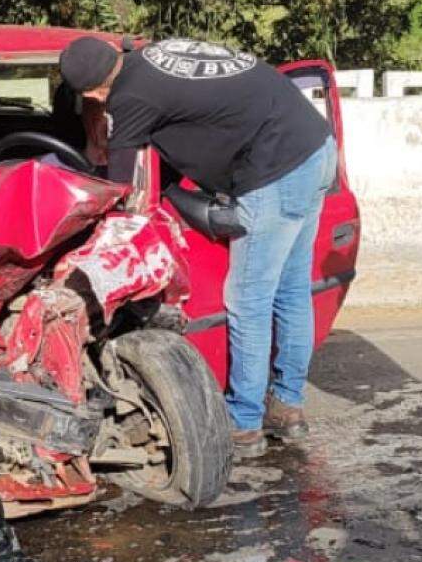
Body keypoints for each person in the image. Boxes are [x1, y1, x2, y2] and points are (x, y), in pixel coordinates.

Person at [59, 36, 337, 454]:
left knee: (249, 299)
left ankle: (243, 422)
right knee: (290, 289)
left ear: (93, 93)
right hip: (315, 147)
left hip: (275, 169)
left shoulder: (129, 96)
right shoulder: (151, 55)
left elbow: (119, 179)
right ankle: (288, 407)